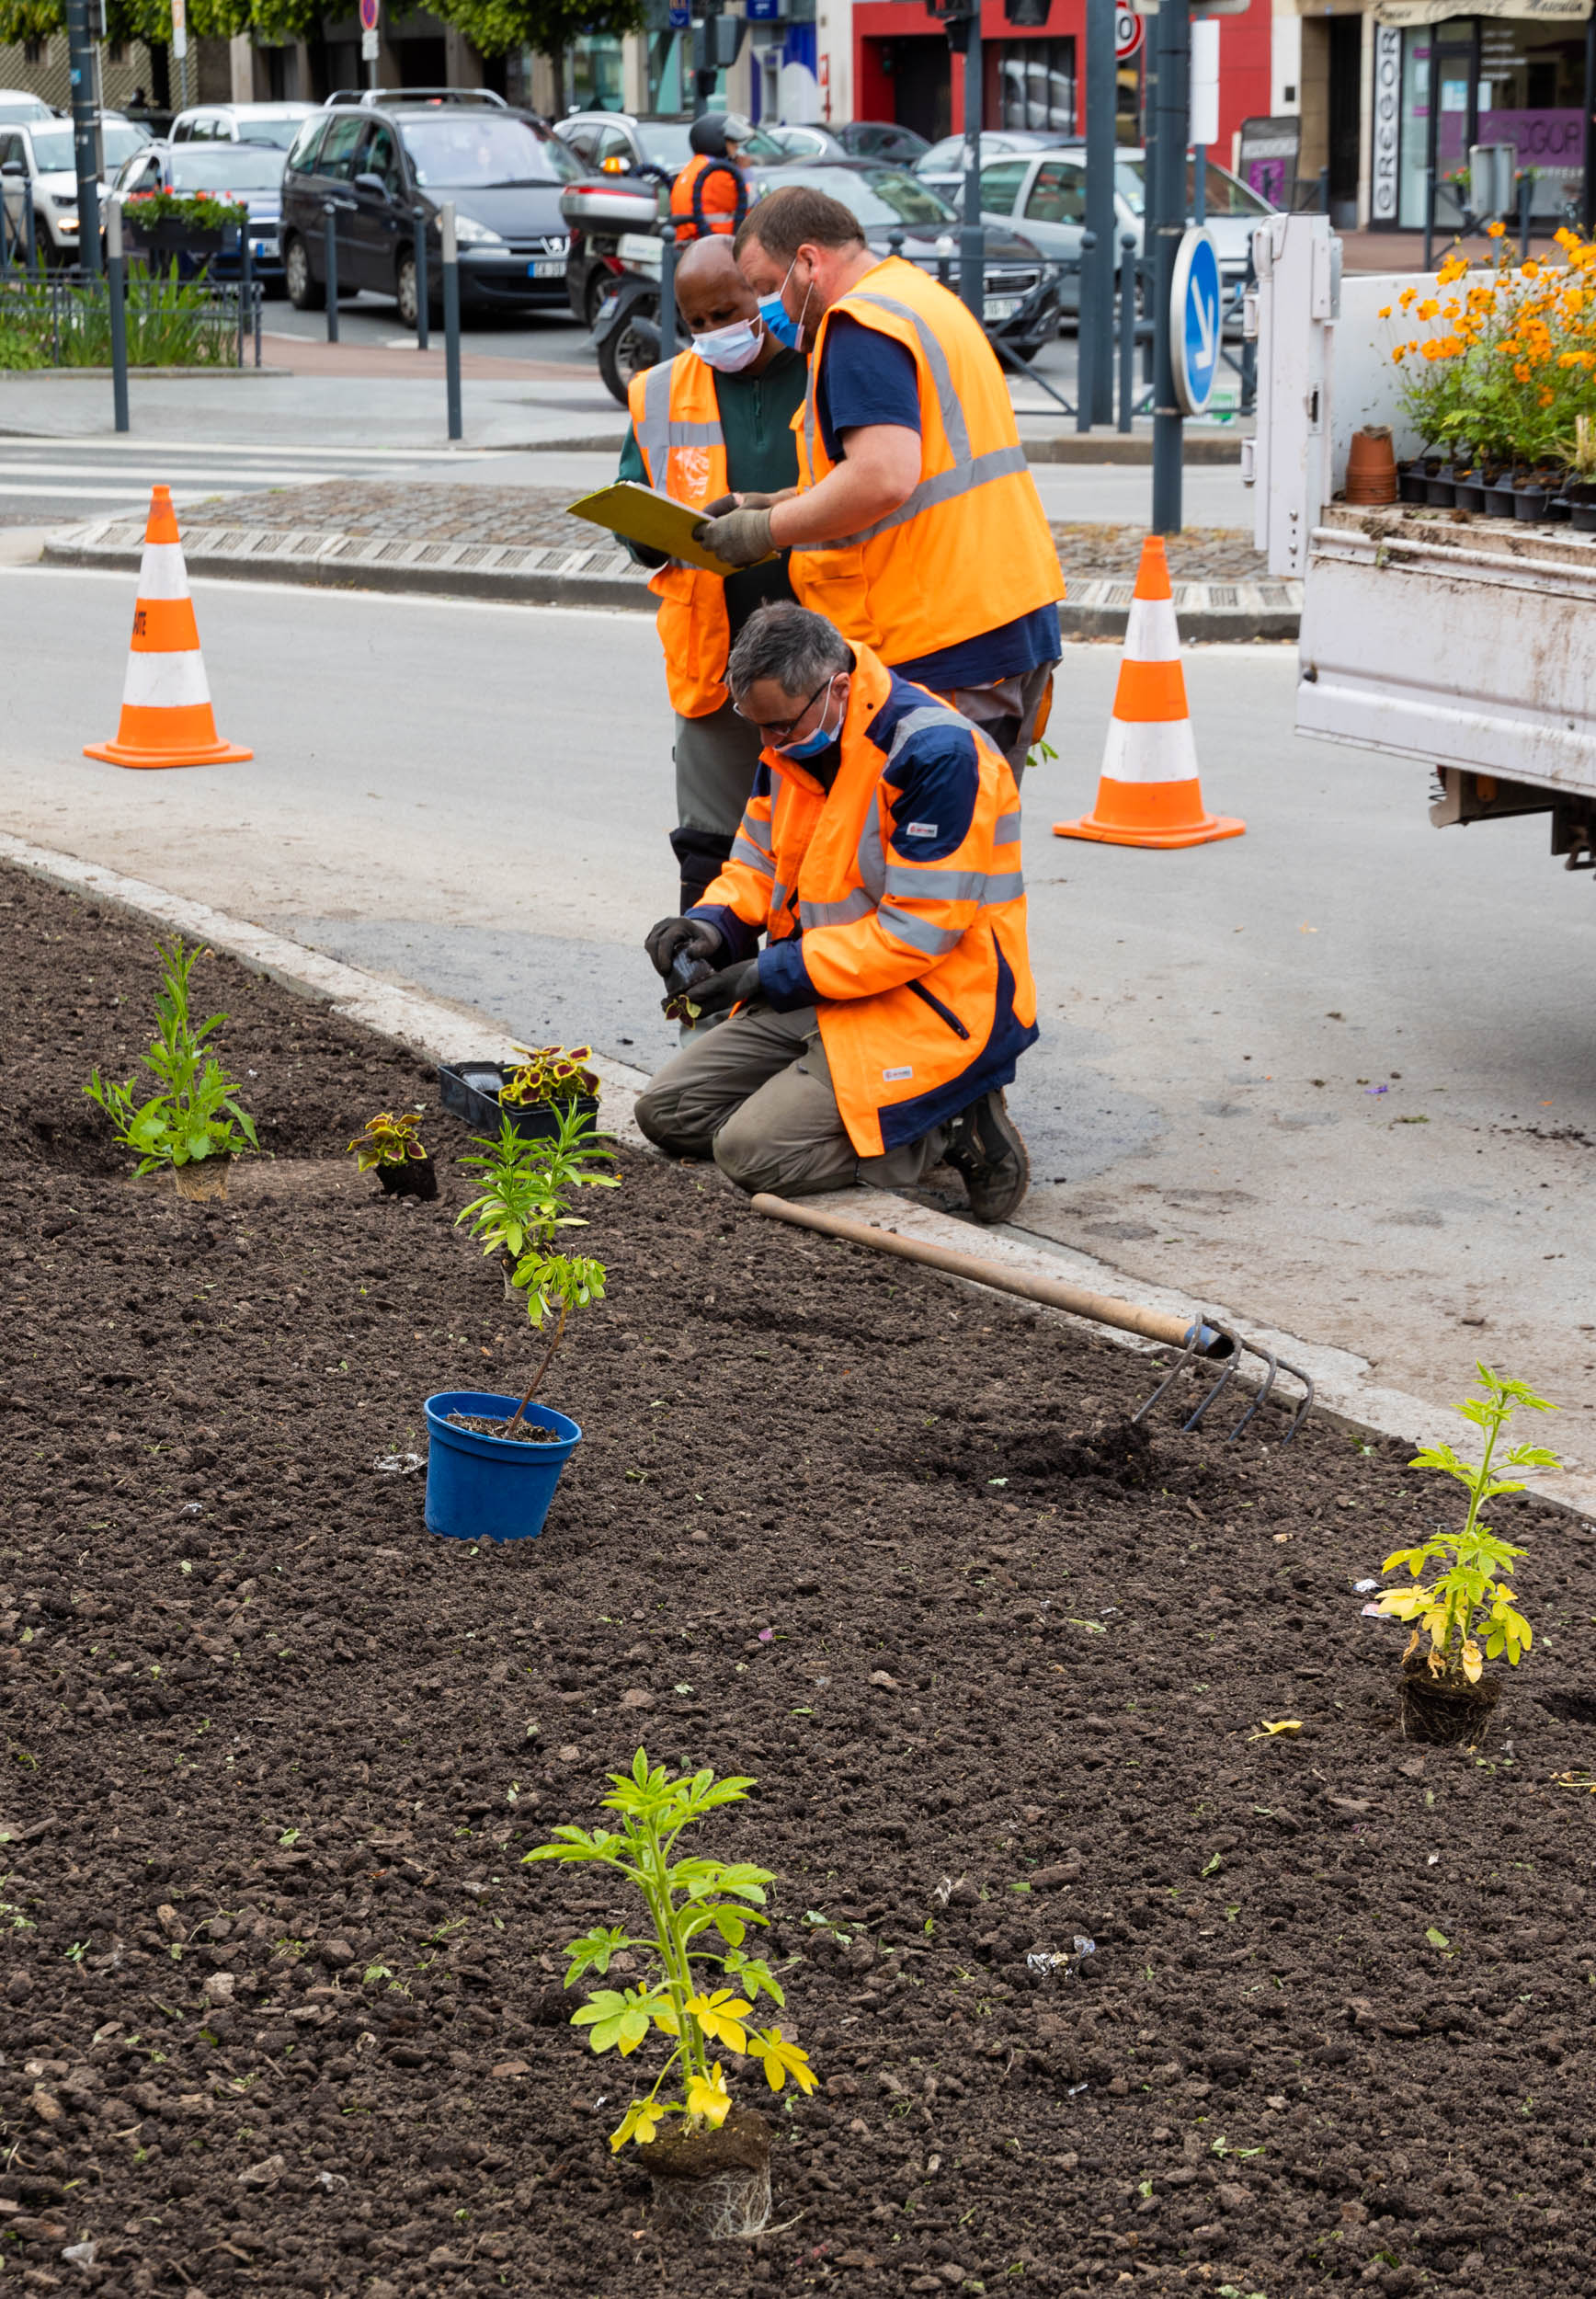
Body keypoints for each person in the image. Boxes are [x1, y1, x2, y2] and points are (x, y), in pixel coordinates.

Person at [635, 600, 1036, 1222]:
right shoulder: (795, 739)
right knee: (666, 1113)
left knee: (751, 1155)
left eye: (780, 729)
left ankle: (950, 1118)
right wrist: (710, 927)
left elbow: (917, 935)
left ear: (838, 688)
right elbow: (756, 867)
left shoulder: (935, 755)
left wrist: (767, 974)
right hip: (827, 989)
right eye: (758, 728)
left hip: (931, 1003)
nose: (768, 746)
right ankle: (861, 1106)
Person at [696, 184, 1064, 779]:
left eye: (766, 288)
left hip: (940, 629)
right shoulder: (920, 300)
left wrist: (764, 528)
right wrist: (778, 498)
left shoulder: (859, 324)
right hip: (1001, 606)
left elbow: (884, 477)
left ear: (810, 262)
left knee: (938, 846)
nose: (768, 309)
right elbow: (917, 467)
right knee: (976, 838)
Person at [617, 234, 807, 909]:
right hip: (713, 663)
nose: (713, 332)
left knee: (820, 855)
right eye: (696, 322)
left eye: (727, 311)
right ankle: (708, 1010)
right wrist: (642, 533)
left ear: (762, 291)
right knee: (710, 856)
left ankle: (803, 1007)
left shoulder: (824, 370)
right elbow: (632, 493)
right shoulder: (661, 392)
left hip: (825, 658)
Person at [669, 110, 752, 246]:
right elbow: (751, 205)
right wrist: (747, 171)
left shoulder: (694, 166)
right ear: (715, 141)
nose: (736, 146)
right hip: (717, 245)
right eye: (731, 141)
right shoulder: (718, 172)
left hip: (692, 243)